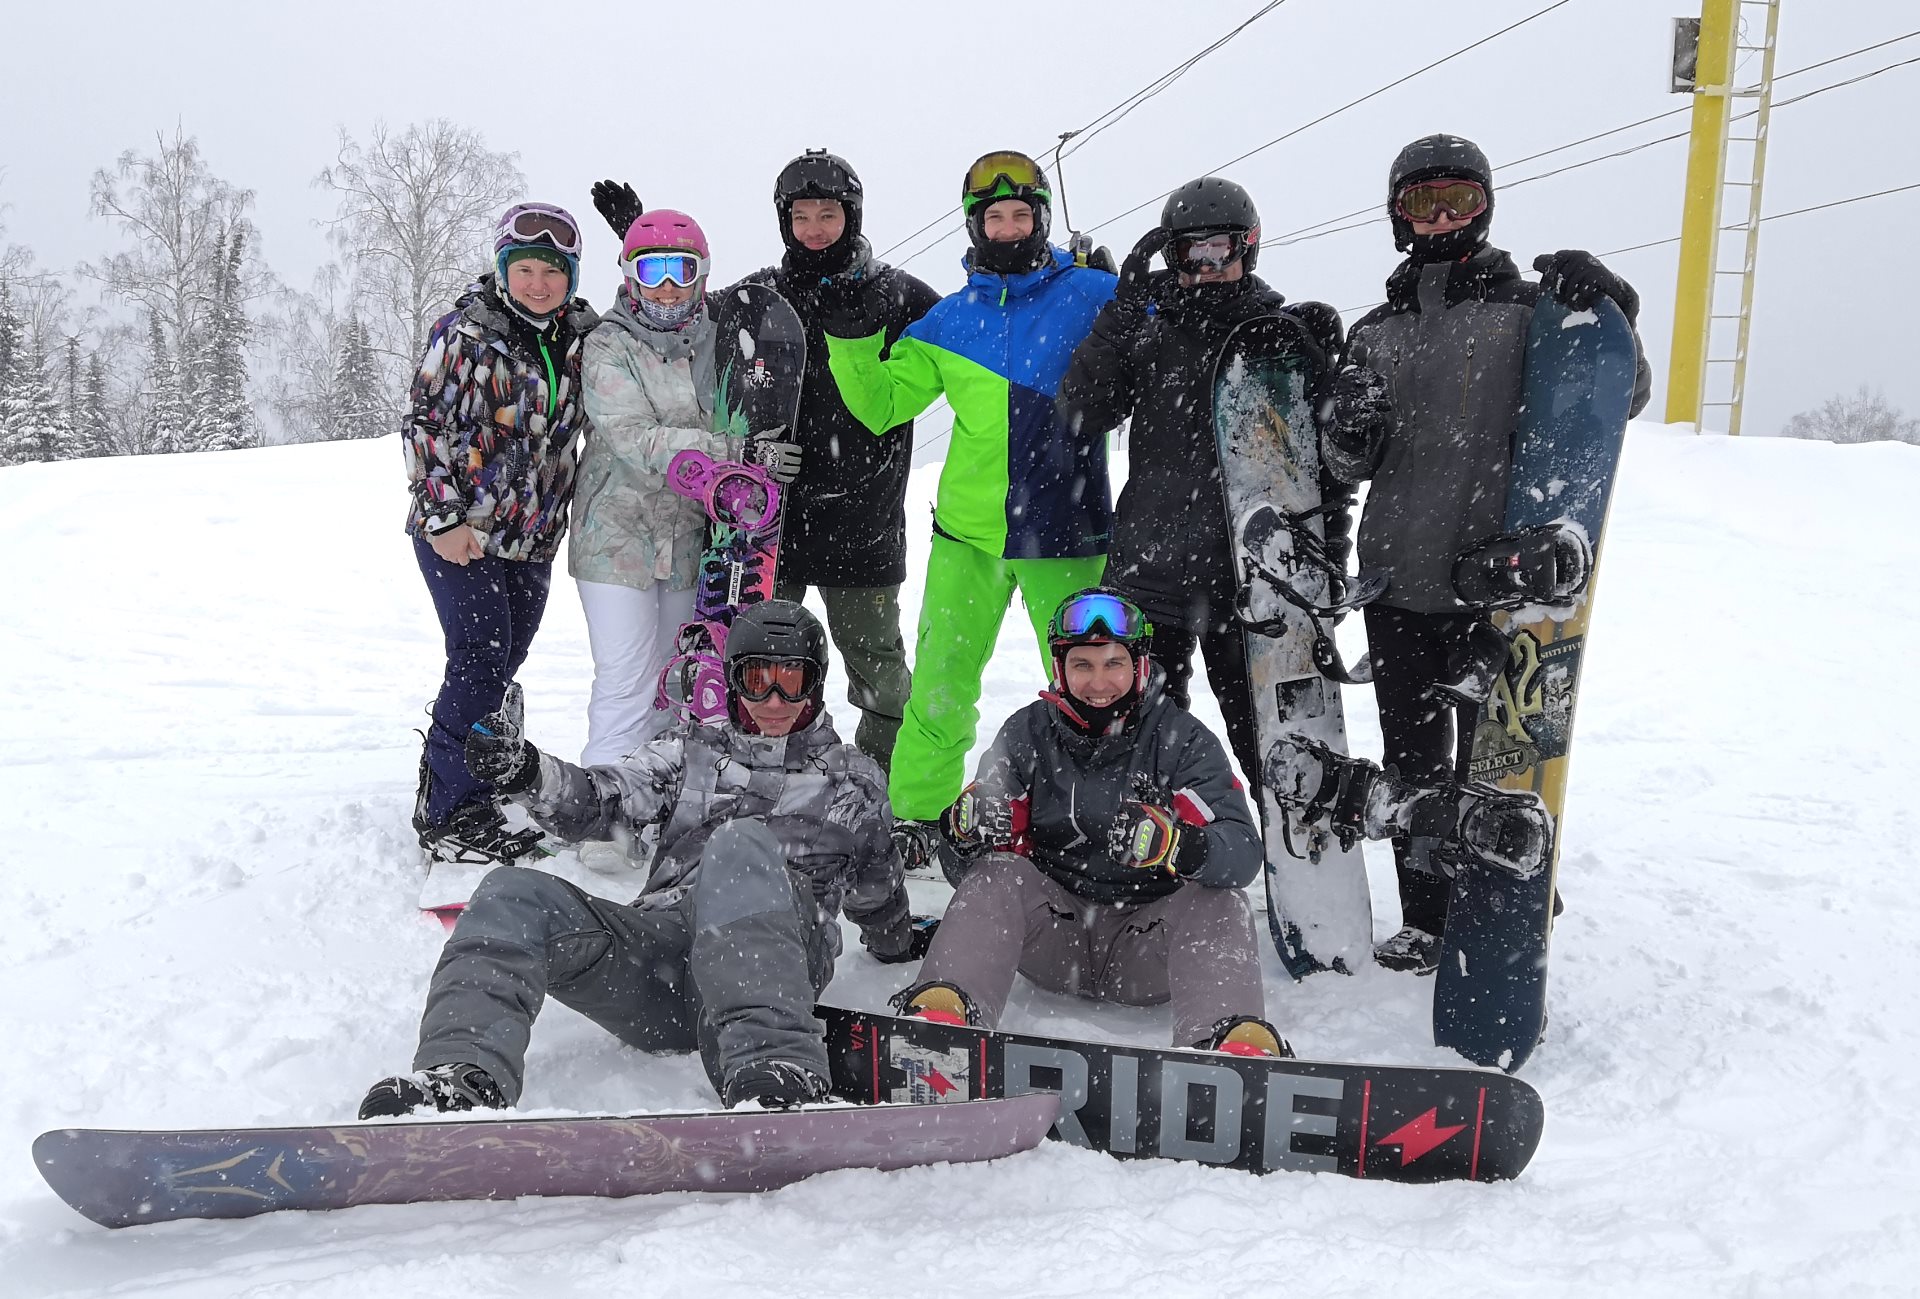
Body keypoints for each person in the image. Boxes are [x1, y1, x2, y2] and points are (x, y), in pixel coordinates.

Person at [359, 600, 924, 1117]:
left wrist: (902, 941)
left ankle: (776, 1071)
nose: (774, 700)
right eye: (757, 679)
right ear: (732, 681)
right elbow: (603, 800)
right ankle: (461, 1078)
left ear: (816, 684)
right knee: (511, 891)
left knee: (739, 845)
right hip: (664, 973)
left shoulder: (852, 782)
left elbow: (879, 891)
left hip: (771, 968)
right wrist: (528, 773)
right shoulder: (690, 751)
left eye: (791, 680)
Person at [1324, 134, 1653, 973]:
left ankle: (1506, 899)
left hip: (1497, 581)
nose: (1440, 219)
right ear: (1397, 216)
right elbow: (1349, 463)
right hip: (1396, 577)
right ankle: (1427, 916)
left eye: (1458, 201)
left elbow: (1615, 396)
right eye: (1422, 203)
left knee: (1504, 760)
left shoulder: (1532, 310)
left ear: (1486, 207)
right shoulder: (1374, 331)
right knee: (1412, 764)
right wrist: (1347, 425)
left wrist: (1613, 310)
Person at [823, 150, 1118, 859]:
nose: (1009, 228)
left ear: (1042, 220)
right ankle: (917, 819)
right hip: (968, 536)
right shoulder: (950, 321)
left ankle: (1102, 820)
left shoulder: (1090, 294)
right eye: (995, 217)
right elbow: (882, 405)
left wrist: (1130, 298)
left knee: (1095, 687)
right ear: (976, 226)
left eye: (1021, 215)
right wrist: (850, 336)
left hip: (1068, 533)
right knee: (941, 686)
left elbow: (1158, 350)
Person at [890, 588, 1287, 1057]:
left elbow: (1241, 853)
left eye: (1113, 663)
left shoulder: (1183, 740)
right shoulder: (1026, 733)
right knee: (997, 873)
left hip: (1149, 949)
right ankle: (942, 1022)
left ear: (1139, 665)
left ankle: (1230, 1050)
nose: (1099, 683)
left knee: (1221, 899)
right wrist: (964, 835)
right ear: (1060, 669)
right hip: (1052, 941)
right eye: (1083, 665)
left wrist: (1179, 846)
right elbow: (968, 875)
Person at [1058, 175, 1349, 798]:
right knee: (1139, 745)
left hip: (1248, 581)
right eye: (1191, 253)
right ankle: (1151, 841)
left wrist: (1327, 560)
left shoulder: (1278, 337)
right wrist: (1121, 312)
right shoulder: (1148, 334)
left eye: (1221, 249)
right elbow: (1079, 412)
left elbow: (1326, 466)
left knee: (1270, 747)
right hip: (1150, 574)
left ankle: (1285, 836)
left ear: (1249, 246)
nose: (1208, 267)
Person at [570, 209, 804, 871]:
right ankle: (604, 812)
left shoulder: (717, 338)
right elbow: (635, 437)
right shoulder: (608, 344)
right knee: (625, 676)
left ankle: (657, 796)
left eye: (682, 270)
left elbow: (753, 389)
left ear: (702, 275)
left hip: (686, 536)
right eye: (653, 271)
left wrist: (762, 454)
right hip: (615, 538)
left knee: (677, 679)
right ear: (630, 277)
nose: (668, 286)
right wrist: (738, 452)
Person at [404, 202, 599, 866]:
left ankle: (461, 767)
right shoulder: (465, 331)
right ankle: (451, 811)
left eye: (553, 270)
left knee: (502, 661)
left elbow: (657, 311)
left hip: (533, 537)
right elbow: (424, 425)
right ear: (503, 270)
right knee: (480, 660)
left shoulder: (583, 336)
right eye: (525, 269)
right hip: (463, 532)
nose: (539, 284)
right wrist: (444, 518)